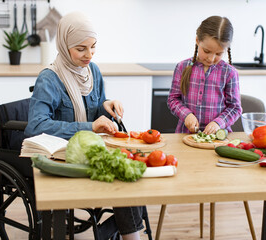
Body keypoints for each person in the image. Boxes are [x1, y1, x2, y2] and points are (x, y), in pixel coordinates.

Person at [25, 12, 144, 240]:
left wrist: (106, 106)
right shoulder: (49, 79)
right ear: (64, 44)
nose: (89, 54)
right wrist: (89, 127)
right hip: (62, 155)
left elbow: (96, 109)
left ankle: (130, 234)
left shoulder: (93, 72)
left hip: (90, 148)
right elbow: (36, 126)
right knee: (121, 175)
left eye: (93, 47)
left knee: (127, 172)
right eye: (81, 49)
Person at [167, 16, 242, 134]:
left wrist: (218, 123)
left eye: (218, 53)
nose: (211, 58)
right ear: (197, 41)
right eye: (206, 51)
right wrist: (186, 115)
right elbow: (173, 99)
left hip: (218, 139)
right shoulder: (182, 67)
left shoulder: (230, 73)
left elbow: (235, 108)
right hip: (185, 135)